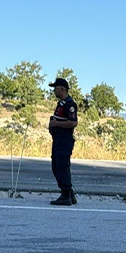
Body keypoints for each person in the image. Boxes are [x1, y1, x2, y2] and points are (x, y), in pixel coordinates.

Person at [47, 77, 79, 205]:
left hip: (64, 141)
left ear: (62, 89)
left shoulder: (70, 104)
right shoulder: (61, 104)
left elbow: (73, 122)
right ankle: (69, 193)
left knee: (61, 167)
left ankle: (66, 195)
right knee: (56, 167)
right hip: (58, 140)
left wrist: (56, 124)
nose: (54, 90)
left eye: (55, 88)